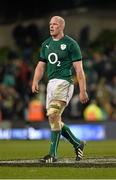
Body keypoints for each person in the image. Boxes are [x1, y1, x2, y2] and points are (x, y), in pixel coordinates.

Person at [32, 16, 89, 163]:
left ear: (62, 27)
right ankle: (78, 143)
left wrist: (83, 90)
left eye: (55, 24)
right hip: (51, 84)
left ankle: (53, 154)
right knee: (54, 118)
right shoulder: (46, 44)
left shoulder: (71, 44)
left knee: (53, 113)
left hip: (65, 82)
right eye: (50, 24)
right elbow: (40, 66)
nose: (51, 26)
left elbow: (79, 70)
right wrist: (35, 81)